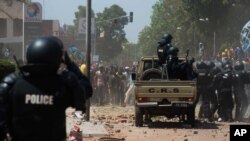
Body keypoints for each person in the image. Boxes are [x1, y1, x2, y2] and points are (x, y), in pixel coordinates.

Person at [0, 36, 92, 141]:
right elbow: (87, 90)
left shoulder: (12, 84)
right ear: (58, 59)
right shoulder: (64, 85)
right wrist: (70, 65)